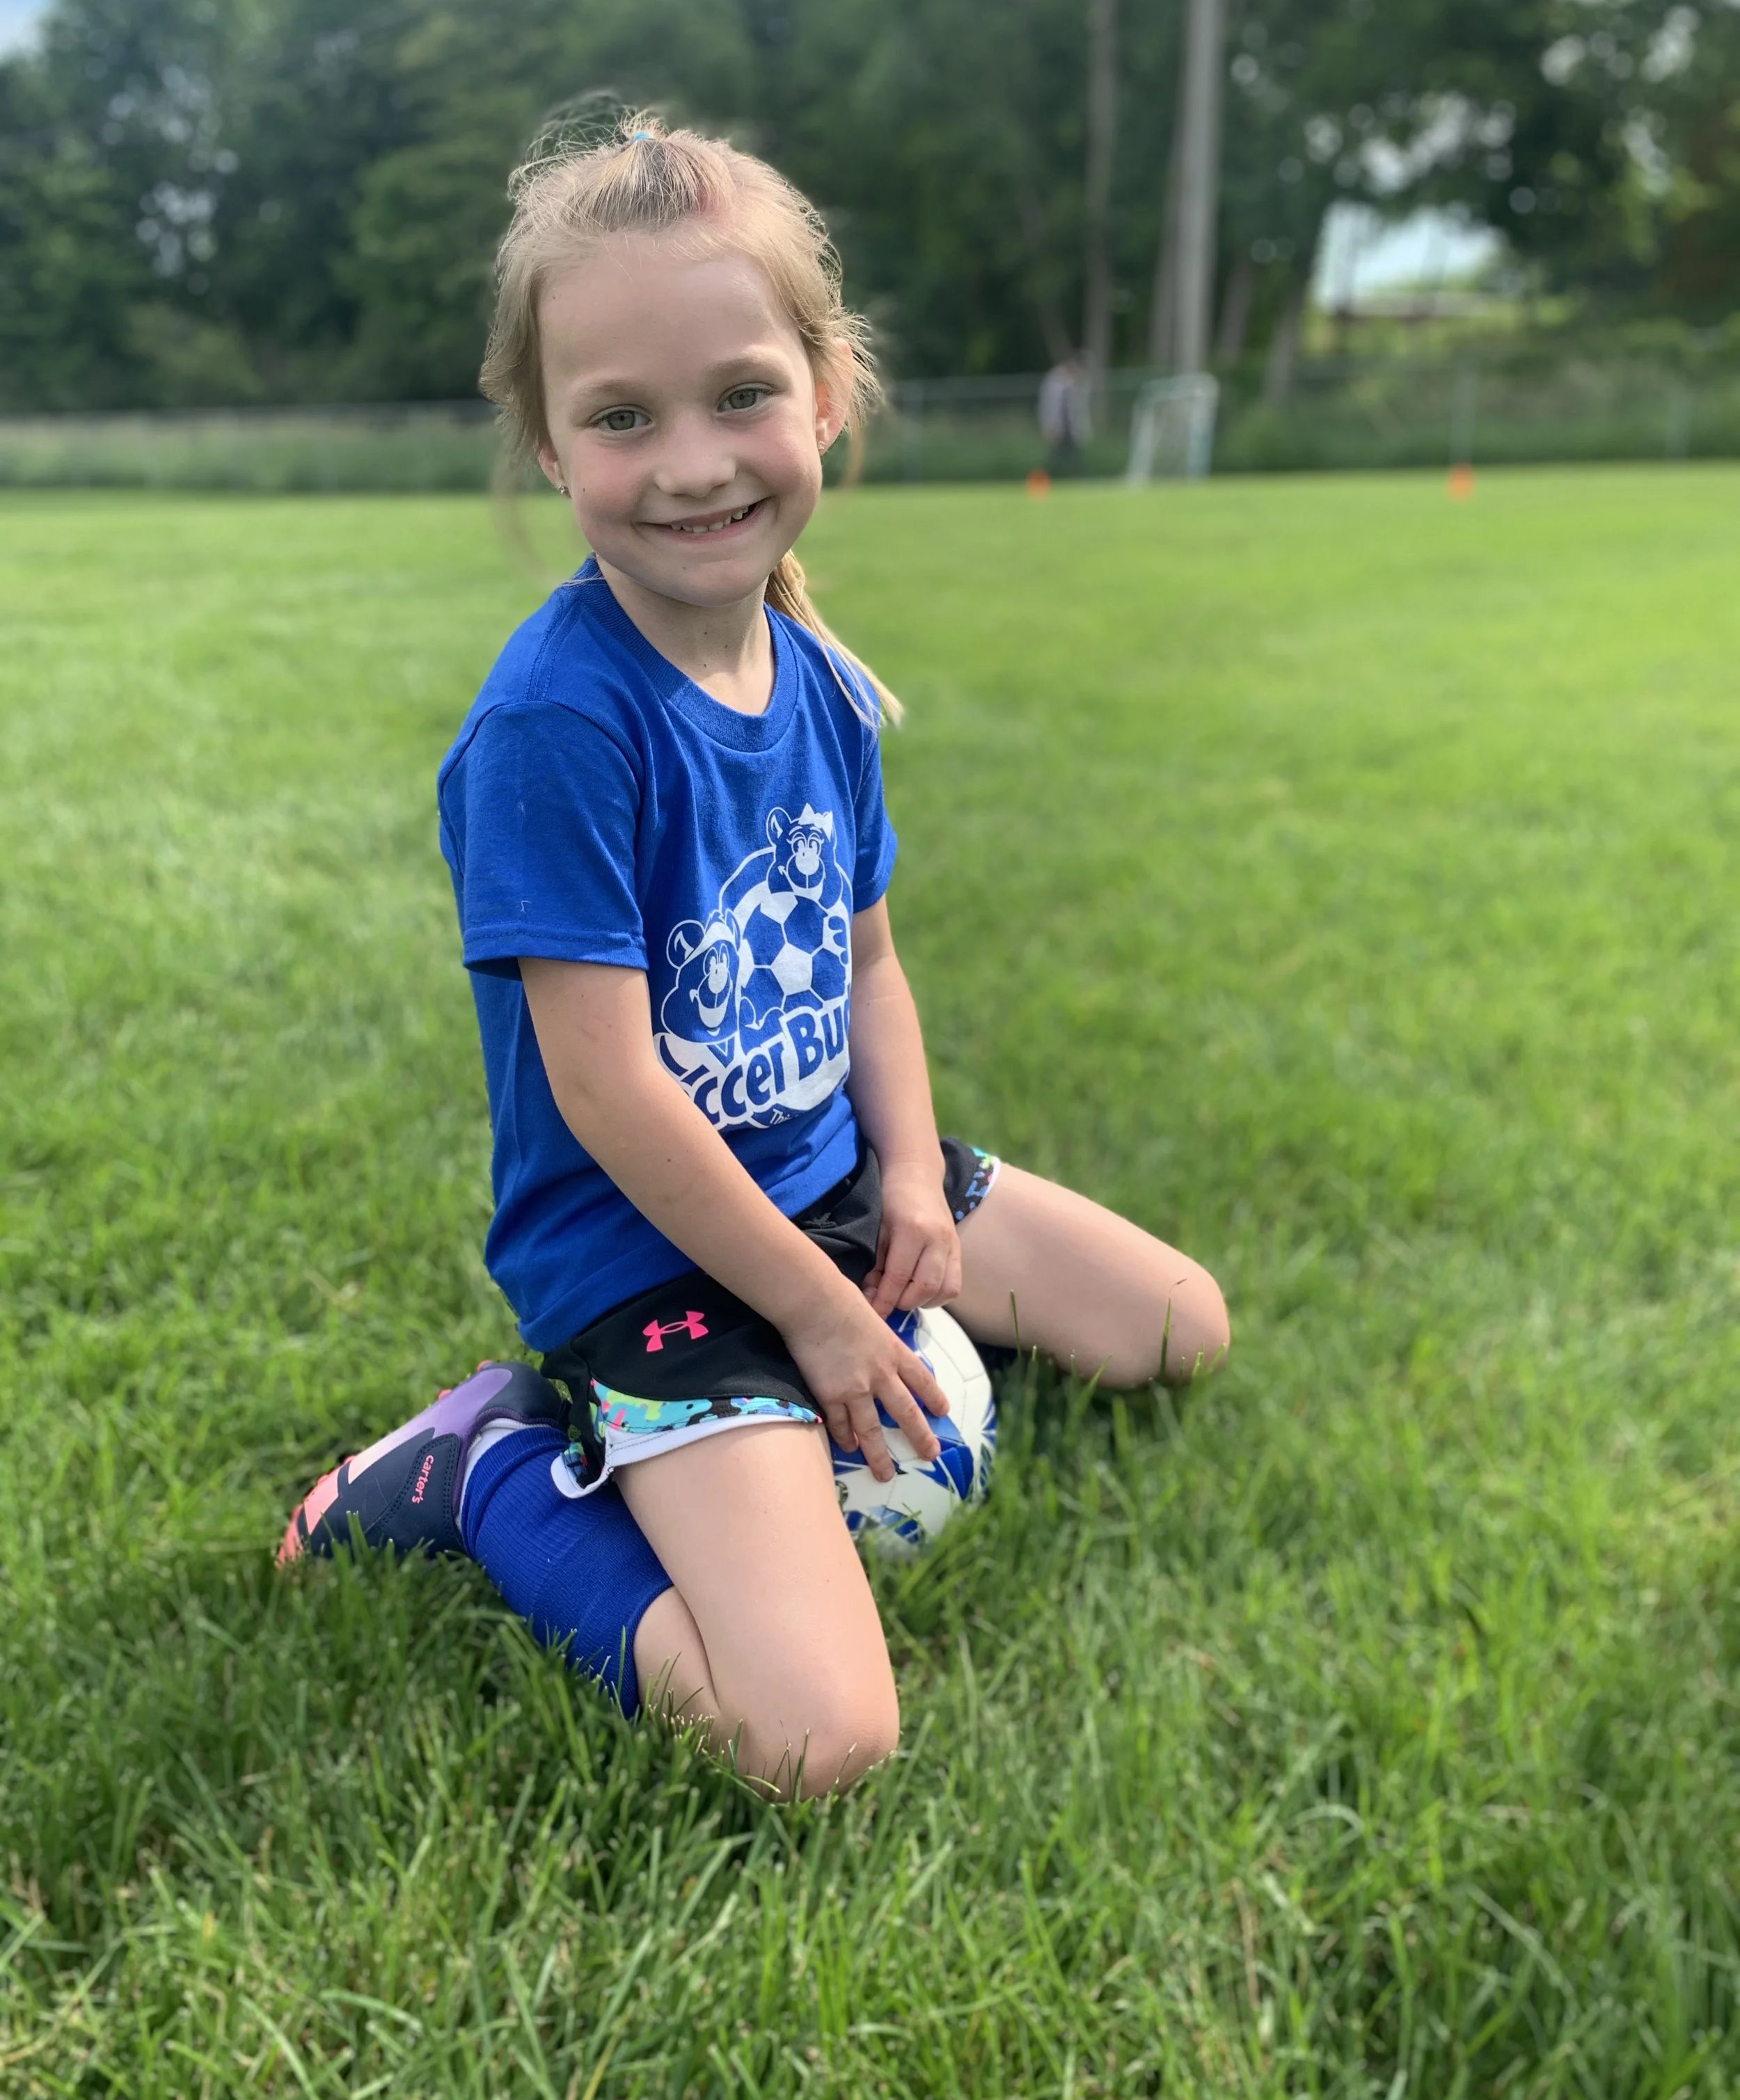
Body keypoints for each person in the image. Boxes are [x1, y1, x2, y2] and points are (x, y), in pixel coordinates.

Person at [278, 116, 1228, 1799]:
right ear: (548, 447)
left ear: (826, 393)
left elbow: (870, 967)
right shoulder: (557, 725)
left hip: (835, 1186)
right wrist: (815, 1323)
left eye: (740, 394)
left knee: (1174, 1328)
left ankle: (822, 1420)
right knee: (815, 1736)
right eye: (622, 417)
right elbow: (612, 1089)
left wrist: (919, 1191)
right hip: (648, 1265)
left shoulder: (817, 678)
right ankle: (493, 1470)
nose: (694, 461)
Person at [1038, 353, 1091, 477]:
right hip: (1057, 427)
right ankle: (1043, 477)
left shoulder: (1076, 386)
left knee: (1076, 456)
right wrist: (1050, 427)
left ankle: (1077, 477)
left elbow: (1079, 410)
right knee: (1053, 456)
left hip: (1071, 429)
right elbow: (1048, 407)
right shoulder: (1054, 382)